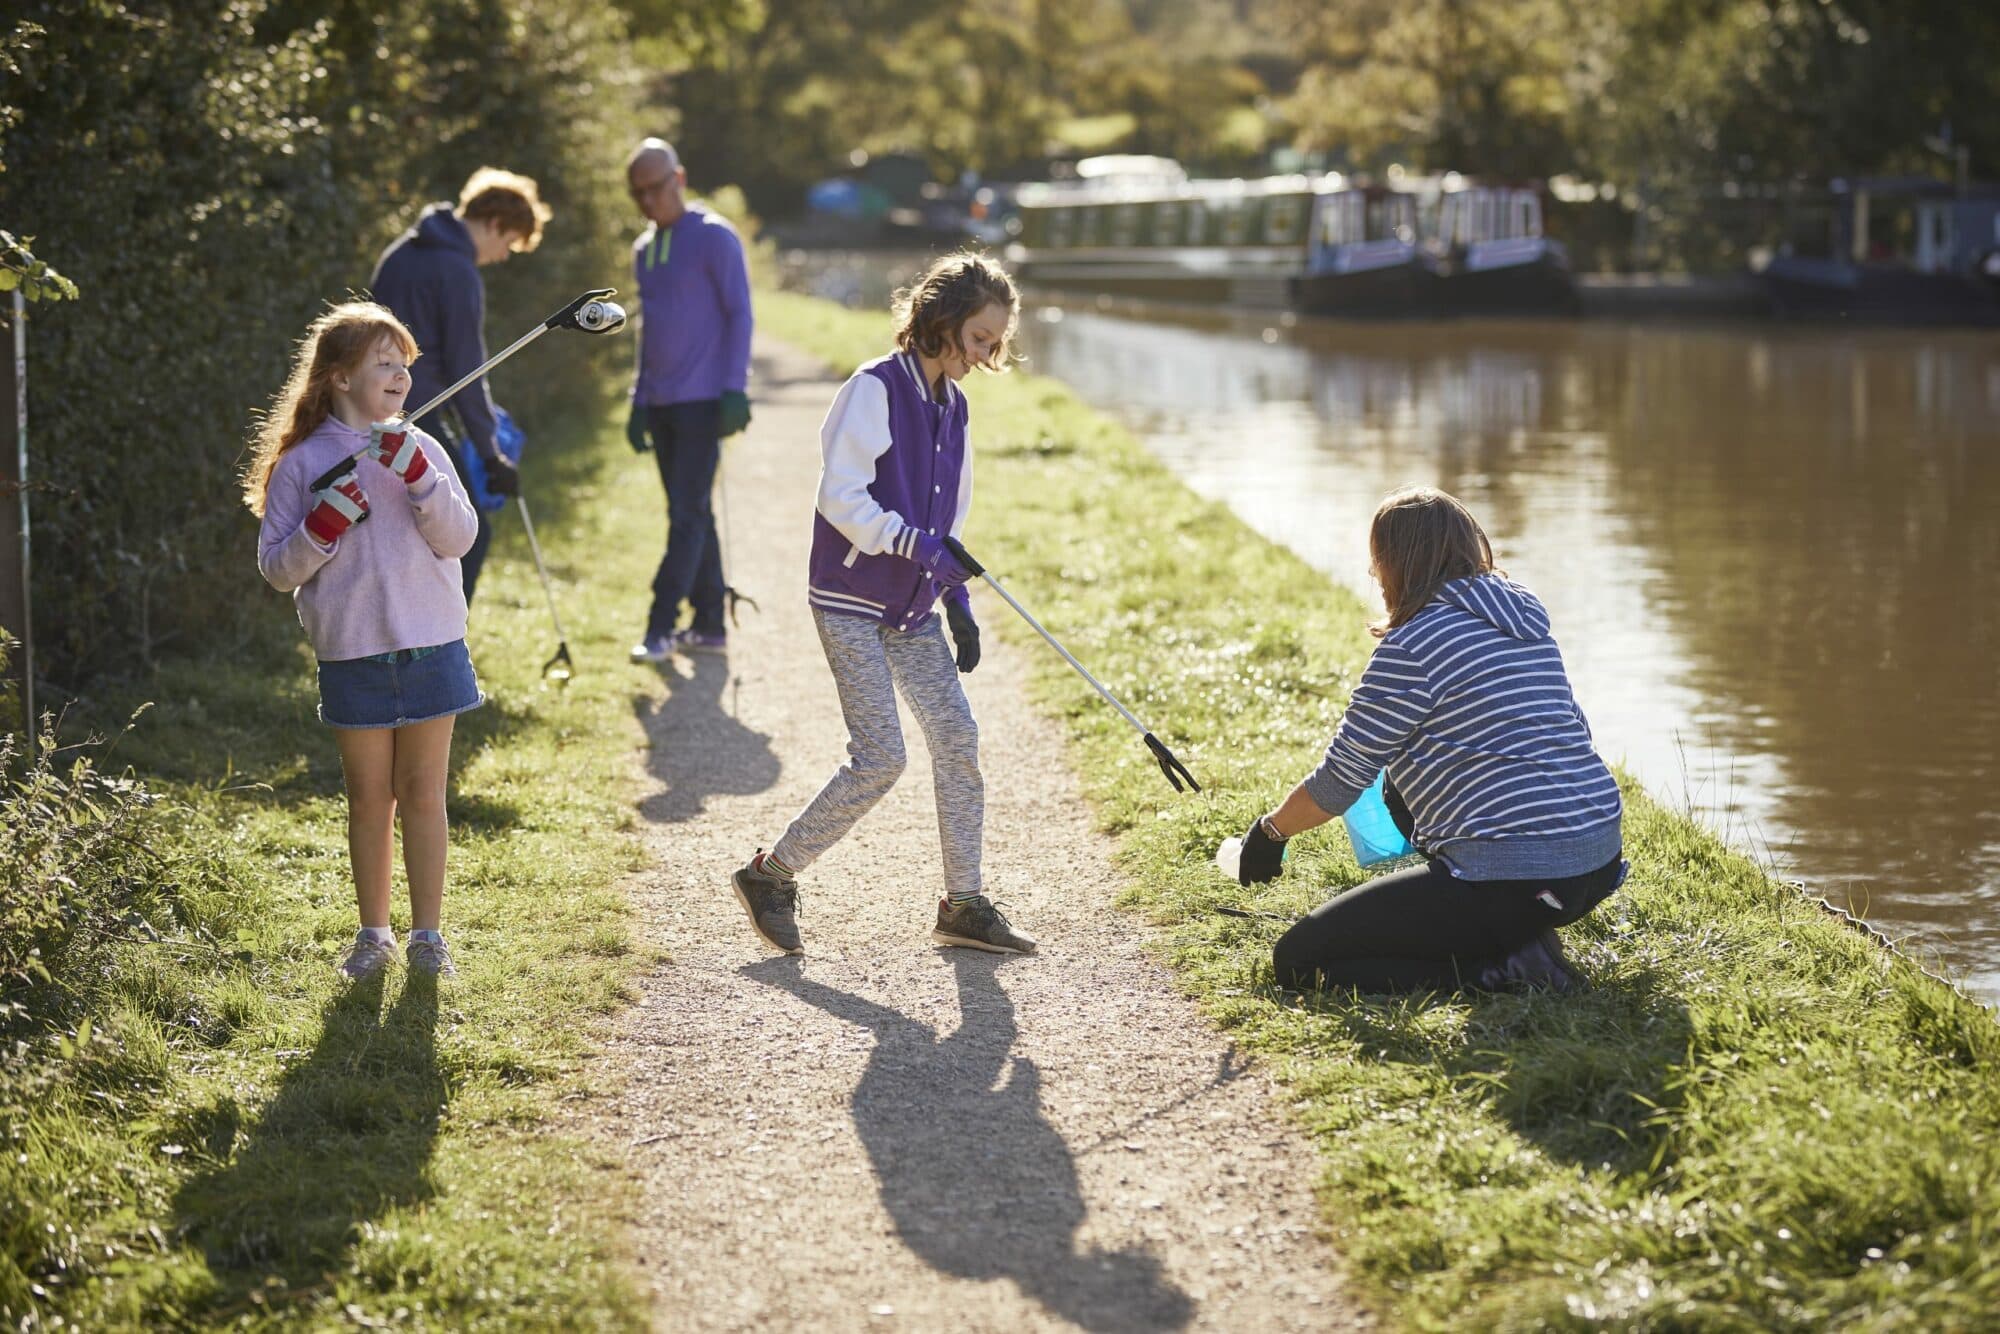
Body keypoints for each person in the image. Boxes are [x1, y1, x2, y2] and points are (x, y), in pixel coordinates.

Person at [728, 253, 1034, 957]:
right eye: (982, 338)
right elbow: (840, 498)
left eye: (997, 342)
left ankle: (964, 903)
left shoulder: (954, 410)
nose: (989, 355)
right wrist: (913, 546)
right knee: (880, 758)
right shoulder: (872, 389)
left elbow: (948, 521)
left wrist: (953, 591)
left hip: (912, 606)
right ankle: (770, 875)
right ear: (943, 322)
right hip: (849, 599)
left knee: (957, 738)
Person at [1237, 487, 1626, 994]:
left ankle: (1507, 970)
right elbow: (1576, 729)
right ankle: (1517, 938)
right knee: (1400, 779)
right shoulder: (1525, 620)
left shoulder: (1413, 645)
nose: (1373, 575)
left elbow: (1341, 780)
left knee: (1298, 961)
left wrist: (1270, 835)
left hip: (1518, 877)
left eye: (1376, 561)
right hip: (1597, 859)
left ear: (1393, 563)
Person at [245, 302, 484, 980]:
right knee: (368, 796)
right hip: (353, 654)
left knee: (425, 793)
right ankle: (374, 935)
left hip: (433, 645)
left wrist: (419, 479)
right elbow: (277, 570)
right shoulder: (301, 462)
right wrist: (322, 526)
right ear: (339, 378)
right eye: (384, 362)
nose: (400, 374)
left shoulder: (422, 449)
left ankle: (428, 937)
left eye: (404, 364)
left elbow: (460, 537)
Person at [370, 166, 551, 602]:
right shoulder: (458, 271)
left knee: (398, 539)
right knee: (469, 536)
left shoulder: (400, 252)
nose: (504, 254)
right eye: (507, 242)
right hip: (416, 419)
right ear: (493, 223)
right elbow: (468, 374)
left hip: (366, 414)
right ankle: (444, 649)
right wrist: (491, 455)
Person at [623, 137, 754, 662]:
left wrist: (734, 389)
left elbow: (740, 314)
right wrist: (638, 400)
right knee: (693, 512)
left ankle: (659, 626)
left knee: (686, 515)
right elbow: (648, 329)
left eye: (655, 188)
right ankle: (709, 625)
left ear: (678, 178)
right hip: (661, 402)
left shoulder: (716, 238)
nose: (649, 201)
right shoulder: (643, 250)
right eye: (639, 194)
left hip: (705, 401)